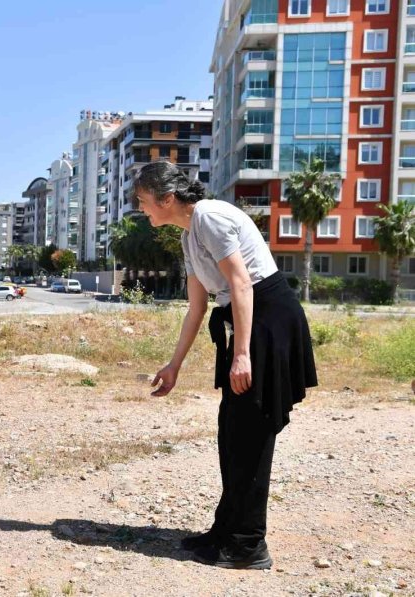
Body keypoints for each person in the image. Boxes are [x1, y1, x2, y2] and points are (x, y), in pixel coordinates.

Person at [134, 161, 317, 570]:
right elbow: (197, 306)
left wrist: (242, 354)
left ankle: (249, 546)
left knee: (252, 434)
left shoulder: (211, 217)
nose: (142, 210)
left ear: (167, 199)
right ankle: (227, 531)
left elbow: (241, 284)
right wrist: (173, 365)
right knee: (233, 432)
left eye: (145, 202)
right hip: (246, 321)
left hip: (267, 320)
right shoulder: (188, 236)